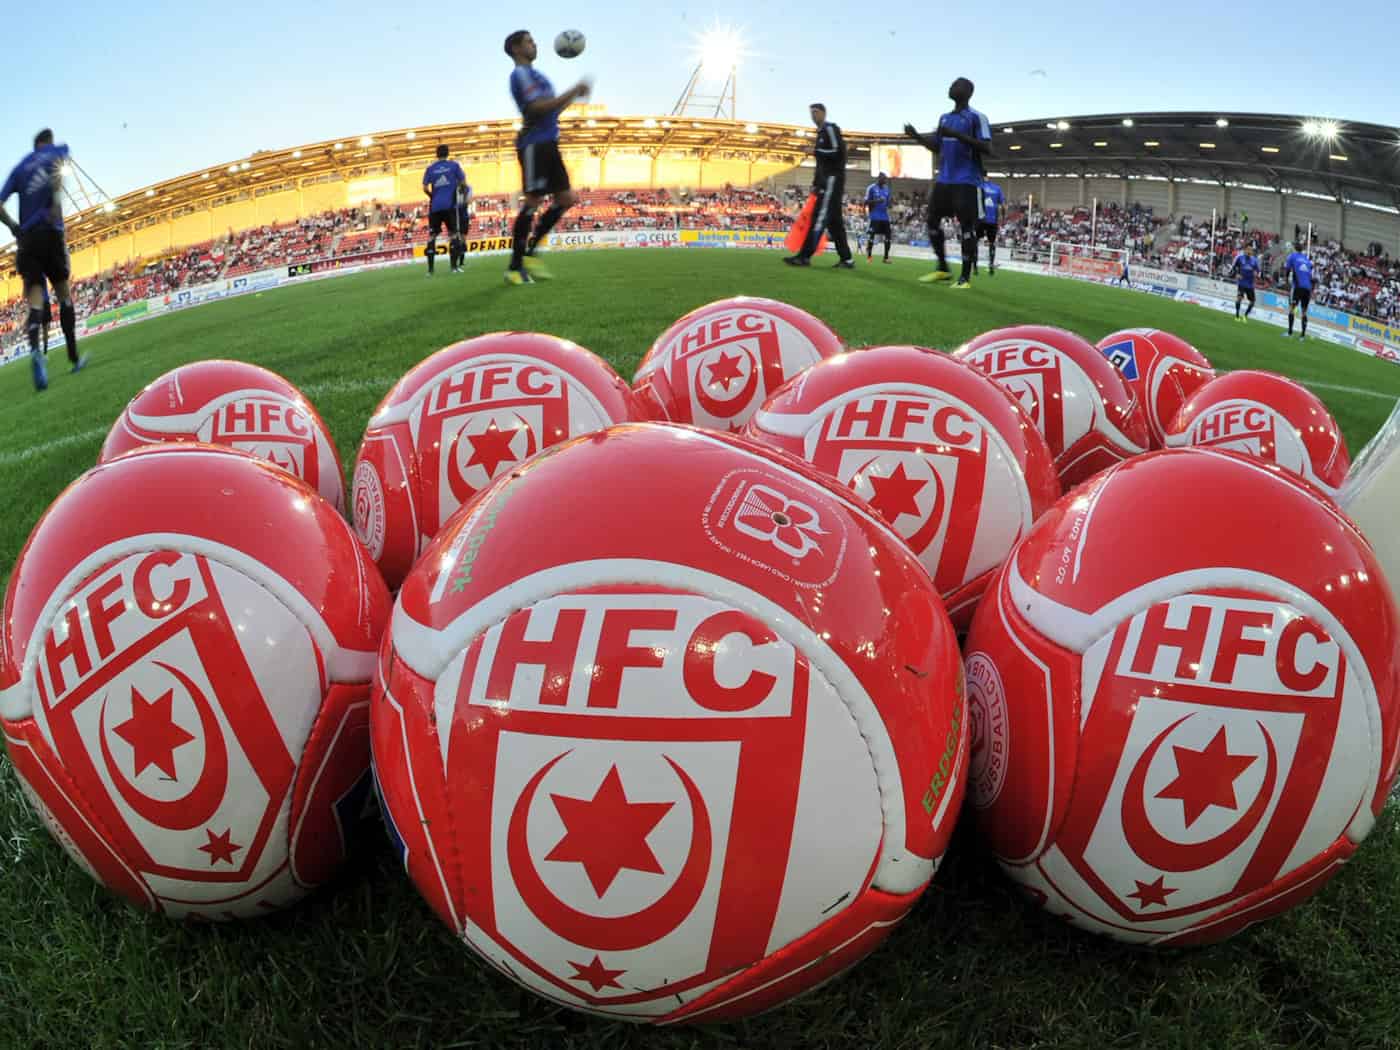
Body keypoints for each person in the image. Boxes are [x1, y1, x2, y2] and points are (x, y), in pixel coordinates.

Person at [504, 29, 592, 285]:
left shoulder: (538, 76)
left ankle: (531, 255)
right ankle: (514, 267)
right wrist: (573, 89)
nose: (534, 45)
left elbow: (551, 109)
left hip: (549, 141)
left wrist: (573, 95)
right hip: (534, 144)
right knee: (532, 201)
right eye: (529, 42)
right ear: (516, 49)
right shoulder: (520, 75)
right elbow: (536, 108)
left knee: (566, 198)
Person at [0, 129, 86, 391]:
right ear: (46, 142)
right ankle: (73, 358)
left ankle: (37, 355)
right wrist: (54, 206)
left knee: (35, 301)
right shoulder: (57, 151)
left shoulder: (19, 168)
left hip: (27, 239)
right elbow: (58, 180)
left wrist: (14, 226)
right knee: (63, 295)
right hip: (51, 233)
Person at [904, 77, 992, 288]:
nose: (951, 87)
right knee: (932, 220)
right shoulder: (944, 118)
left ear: (968, 92)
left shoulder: (976, 117)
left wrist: (956, 135)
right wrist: (916, 136)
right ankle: (943, 268)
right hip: (944, 179)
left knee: (967, 227)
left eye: (956, 85)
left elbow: (987, 148)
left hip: (967, 180)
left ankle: (965, 278)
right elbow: (937, 146)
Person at [784, 103, 854, 268]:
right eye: (811, 113)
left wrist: (814, 151)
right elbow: (821, 164)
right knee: (835, 223)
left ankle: (804, 256)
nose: (813, 116)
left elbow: (838, 152)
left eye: (816, 112)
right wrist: (816, 183)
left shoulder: (830, 129)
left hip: (832, 180)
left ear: (823, 113)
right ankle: (847, 259)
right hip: (826, 181)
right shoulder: (821, 134)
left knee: (819, 218)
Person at [422, 145, 466, 276]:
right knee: (453, 235)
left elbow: (424, 188)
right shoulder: (454, 166)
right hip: (450, 206)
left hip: (435, 207)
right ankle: (454, 268)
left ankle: (430, 271)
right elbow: (463, 182)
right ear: (448, 153)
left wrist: (432, 197)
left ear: (436, 154)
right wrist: (459, 192)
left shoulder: (430, 168)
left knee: (432, 236)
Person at [1284, 241, 1314, 340]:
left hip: (1297, 287)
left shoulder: (1292, 256)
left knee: (1292, 308)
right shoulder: (1307, 260)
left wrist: (1286, 281)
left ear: (1294, 248)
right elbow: (1310, 276)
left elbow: (1287, 269)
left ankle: (1290, 332)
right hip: (1307, 288)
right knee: (1304, 312)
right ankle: (1302, 336)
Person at [977, 179, 1004, 275]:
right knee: (992, 243)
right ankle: (991, 264)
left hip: (981, 219)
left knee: (975, 241)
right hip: (993, 221)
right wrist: (1002, 218)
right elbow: (1002, 205)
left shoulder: (978, 186)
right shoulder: (997, 188)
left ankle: (974, 266)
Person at [864, 173, 893, 263]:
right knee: (871, 236)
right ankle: (869, 257)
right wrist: (877, 201)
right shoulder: (871, 188)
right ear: (879, 179)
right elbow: (866, 202)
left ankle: (886, 257)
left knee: (888, 236)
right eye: (883, 179)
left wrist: (891, 203)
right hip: (874, 216)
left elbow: (888, 204)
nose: (885, 181)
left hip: (884, 217)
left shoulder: (887, 189)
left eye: (885, 179)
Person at [1230, 246, 1260, 322]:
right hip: (1242, 283)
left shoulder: (1254, 260)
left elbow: (1258, 270)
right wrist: (1236, 274)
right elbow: (1233, 268)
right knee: (1239, 298)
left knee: (1252, 302)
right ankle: (1237, 315)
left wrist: (1256, 273)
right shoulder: (1240, 258)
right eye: (1248, 250)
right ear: (1245, 250)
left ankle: (1245, 316)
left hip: (1250, 284)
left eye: (1251, 250)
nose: (1249, 251)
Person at [451, 177, 474, 272]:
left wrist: (460, 203)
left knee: (463, 240)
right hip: (455, 216)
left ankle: (460, 262)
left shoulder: (468, 188)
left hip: (464, 216)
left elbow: (468, 202)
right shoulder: (453, 189)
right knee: (456, 239)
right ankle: (454, 265)